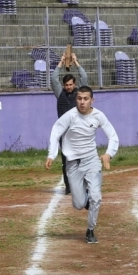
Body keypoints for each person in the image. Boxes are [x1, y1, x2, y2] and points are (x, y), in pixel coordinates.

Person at [45, 86, 118, 244]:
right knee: (78, 204)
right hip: (73, 164)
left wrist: (108, 154)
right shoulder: (70, 116)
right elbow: (55, 132)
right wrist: (52, 154)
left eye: (86, 99)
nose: (82, 102)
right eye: (79, 98)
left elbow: (112, 135)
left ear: (92, 100)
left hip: (92, 160)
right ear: (76, 99)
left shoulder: (99, 116)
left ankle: (90, 230)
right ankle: (85, 198)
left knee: (96, 197)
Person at [50, 52, 88, 195]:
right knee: (67, 162)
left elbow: (84, 78)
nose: (68, 87)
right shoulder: (60, 93)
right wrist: (61, 62)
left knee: (81, 160)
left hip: (79, 131)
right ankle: (69, 187)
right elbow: (54, 79)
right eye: (66, 85)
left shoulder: (80, 94)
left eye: (70, 84)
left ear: (74, 84)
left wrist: (76, 62)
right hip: (65, 133)